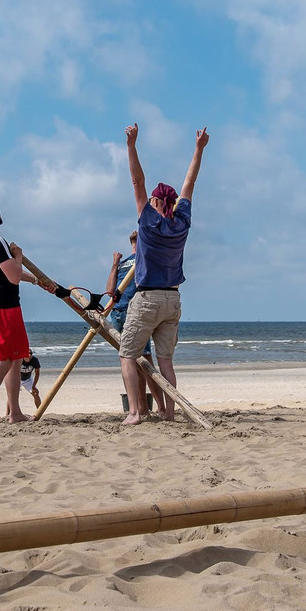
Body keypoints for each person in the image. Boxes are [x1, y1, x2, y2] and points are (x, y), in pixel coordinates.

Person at [119, 122, 208, 425]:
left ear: (156, 202)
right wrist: (199, 149)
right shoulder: (181, 223)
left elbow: (136, 181)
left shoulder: (148, 221)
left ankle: (134, 412)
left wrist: (131, 145)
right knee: (166, 360)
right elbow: (190, 184)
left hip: (148, 298)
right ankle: (168, 412)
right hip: (173, 301)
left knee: (128, 354)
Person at [0, 196, 55, 425]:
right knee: (4, 360)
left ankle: (14, 412)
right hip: (2, 307)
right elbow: (13, 276)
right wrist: (18, 255)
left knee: (16, 358)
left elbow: (7, 274)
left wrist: (36, 281)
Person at [105, 232, 163, 413]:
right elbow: (109, 291)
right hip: (118, 312)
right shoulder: (124, 262)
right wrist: (115, 264)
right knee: (129, 362)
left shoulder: (147, 257)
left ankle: (161, 407)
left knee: (145, 360)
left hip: (136, 312)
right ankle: (141, 409)